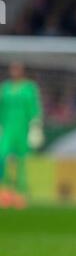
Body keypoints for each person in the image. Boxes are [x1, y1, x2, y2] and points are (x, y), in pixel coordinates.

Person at [0, 62, 44, 208]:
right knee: (2, 157)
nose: (15, 71)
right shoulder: (5, 88)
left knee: (21, 162)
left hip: (23, 130)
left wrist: (36, 125)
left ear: (22, 71)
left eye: (17, 68)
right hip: (7, 129)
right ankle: (4, 193)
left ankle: (20, 194)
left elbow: (34, 107)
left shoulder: (29, 88)